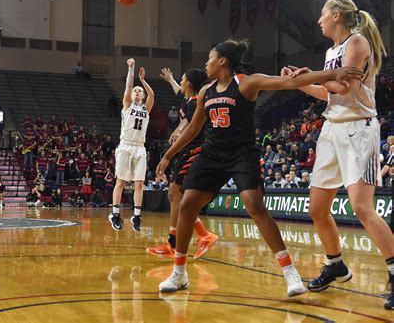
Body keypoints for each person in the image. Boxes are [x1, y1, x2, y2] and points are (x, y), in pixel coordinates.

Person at [155, 39, 362, 295]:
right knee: (186, 205)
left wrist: (333, 73)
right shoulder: (206, 92)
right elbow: (193, 129)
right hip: (212, 154)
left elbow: (289, 82)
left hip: (242, 153)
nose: (205, 63)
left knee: (254, 204)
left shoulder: (247, 82)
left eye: (209, 58)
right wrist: (168, 155)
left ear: (222, 61)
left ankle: (290, 273)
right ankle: (179, 274)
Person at [281, 0, 394, 309]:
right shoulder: (332, 51)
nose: (319, 20)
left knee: (361, 207)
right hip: (332, 129)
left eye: (322, 14)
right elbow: (328, 93)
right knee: (317, 209)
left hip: (359, 130)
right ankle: (335, 264)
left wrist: (311, 76)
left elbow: (343, 87)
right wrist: (303, 83)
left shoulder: (357, 44)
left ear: (336, 16)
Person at [147, 68, 218, 260]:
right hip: (188, 151)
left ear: (189, 84)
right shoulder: (187, 98)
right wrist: (170, 79)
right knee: (179, 199)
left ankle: (173, 243)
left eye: (182, 78)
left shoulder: (195, 103)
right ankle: (203, 236)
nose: (181, 81)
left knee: (174, 194)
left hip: (194, 150)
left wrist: (178, 130)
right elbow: (179, 90)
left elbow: (188, 122)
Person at [108, 58, 154, 232]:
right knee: (120, 182)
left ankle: (136, 216)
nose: (136, 92)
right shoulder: (127, 105)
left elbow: (153, 96)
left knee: (139, 184)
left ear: (142, 96)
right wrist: (131, 70)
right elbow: (128, 87)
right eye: (135, 91)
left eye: (139, 91)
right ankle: (115, 214)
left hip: (140, 147)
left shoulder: (146, 108)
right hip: (126, 145)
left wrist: (143, 81)